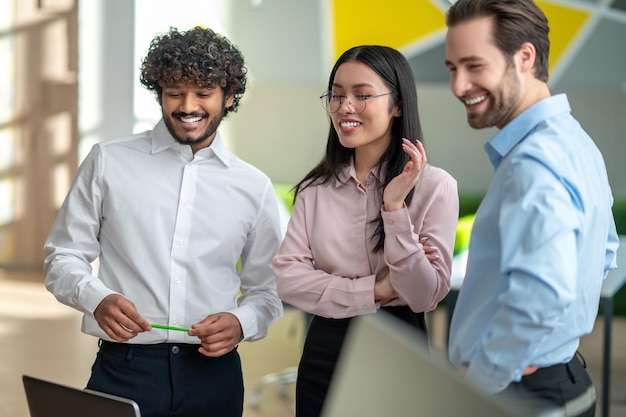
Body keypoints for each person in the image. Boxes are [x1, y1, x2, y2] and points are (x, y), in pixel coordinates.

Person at [43, 26, 283, 417]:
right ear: (159, 93)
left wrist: (242, 322)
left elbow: (268, 291)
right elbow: (62, 255)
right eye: (174, 93)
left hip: (214, 376)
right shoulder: (108, 160)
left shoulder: (253, 186)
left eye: (204, 93)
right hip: (124, 368)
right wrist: (96, 298)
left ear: (230, 96)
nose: (188, 106)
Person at [444, 1, 620, 415]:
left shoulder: (532, 163)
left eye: (473, 66)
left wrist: (481, 379)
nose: (458, 85)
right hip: (557, 380)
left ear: (525, 57)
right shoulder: (575, 142)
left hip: (520, 393)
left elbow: (540, 297)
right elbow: (605, 251)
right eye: (452, 68)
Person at [273, 45, 459, 417]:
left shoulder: (435, 186)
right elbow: (288, 280)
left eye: (362, 95)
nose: (345, 107)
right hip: (325, 348)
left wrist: (394, 208)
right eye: (337, 95)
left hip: (400, 348)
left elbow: (422, 295)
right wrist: (376, 290)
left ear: (398, 105)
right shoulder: (315, 189)